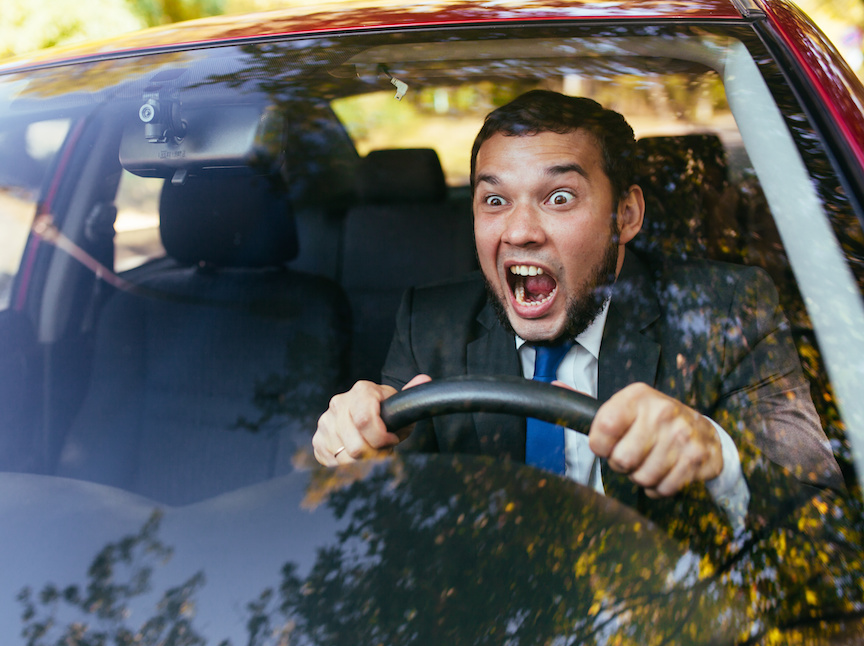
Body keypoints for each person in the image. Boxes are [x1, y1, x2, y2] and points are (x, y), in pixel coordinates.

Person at [312, 90, 844, 532]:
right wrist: (356, 446)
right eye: (494, 201)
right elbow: (395, 520)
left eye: (559, 197)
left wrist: (718, 455)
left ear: (626, 214)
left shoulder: (728, 310)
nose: (519, 231)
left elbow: (820, 520)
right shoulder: (428, 324)